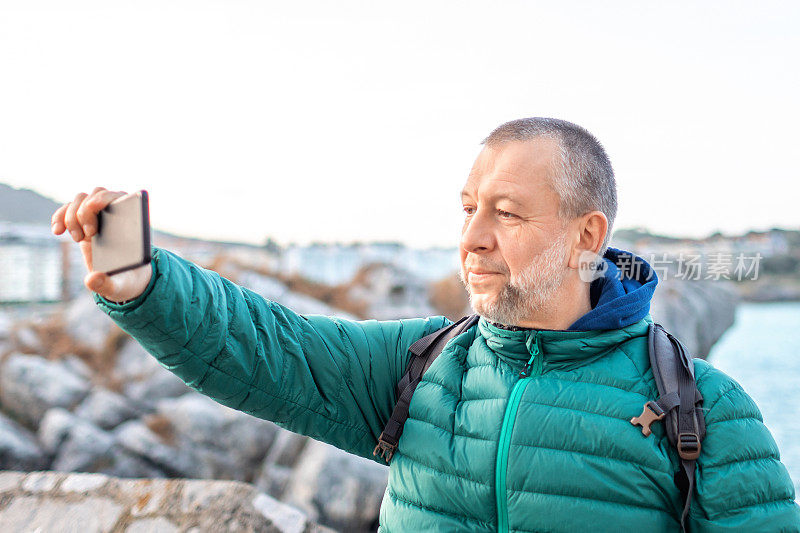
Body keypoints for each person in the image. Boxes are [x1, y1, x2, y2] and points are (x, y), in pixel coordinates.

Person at [51, 117, 799, 532]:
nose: (472, 236)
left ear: (586, 236)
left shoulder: (704, 410)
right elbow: (266, 345)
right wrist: (145, 282)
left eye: (506, 212)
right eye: (468, 206)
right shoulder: (422, 365)